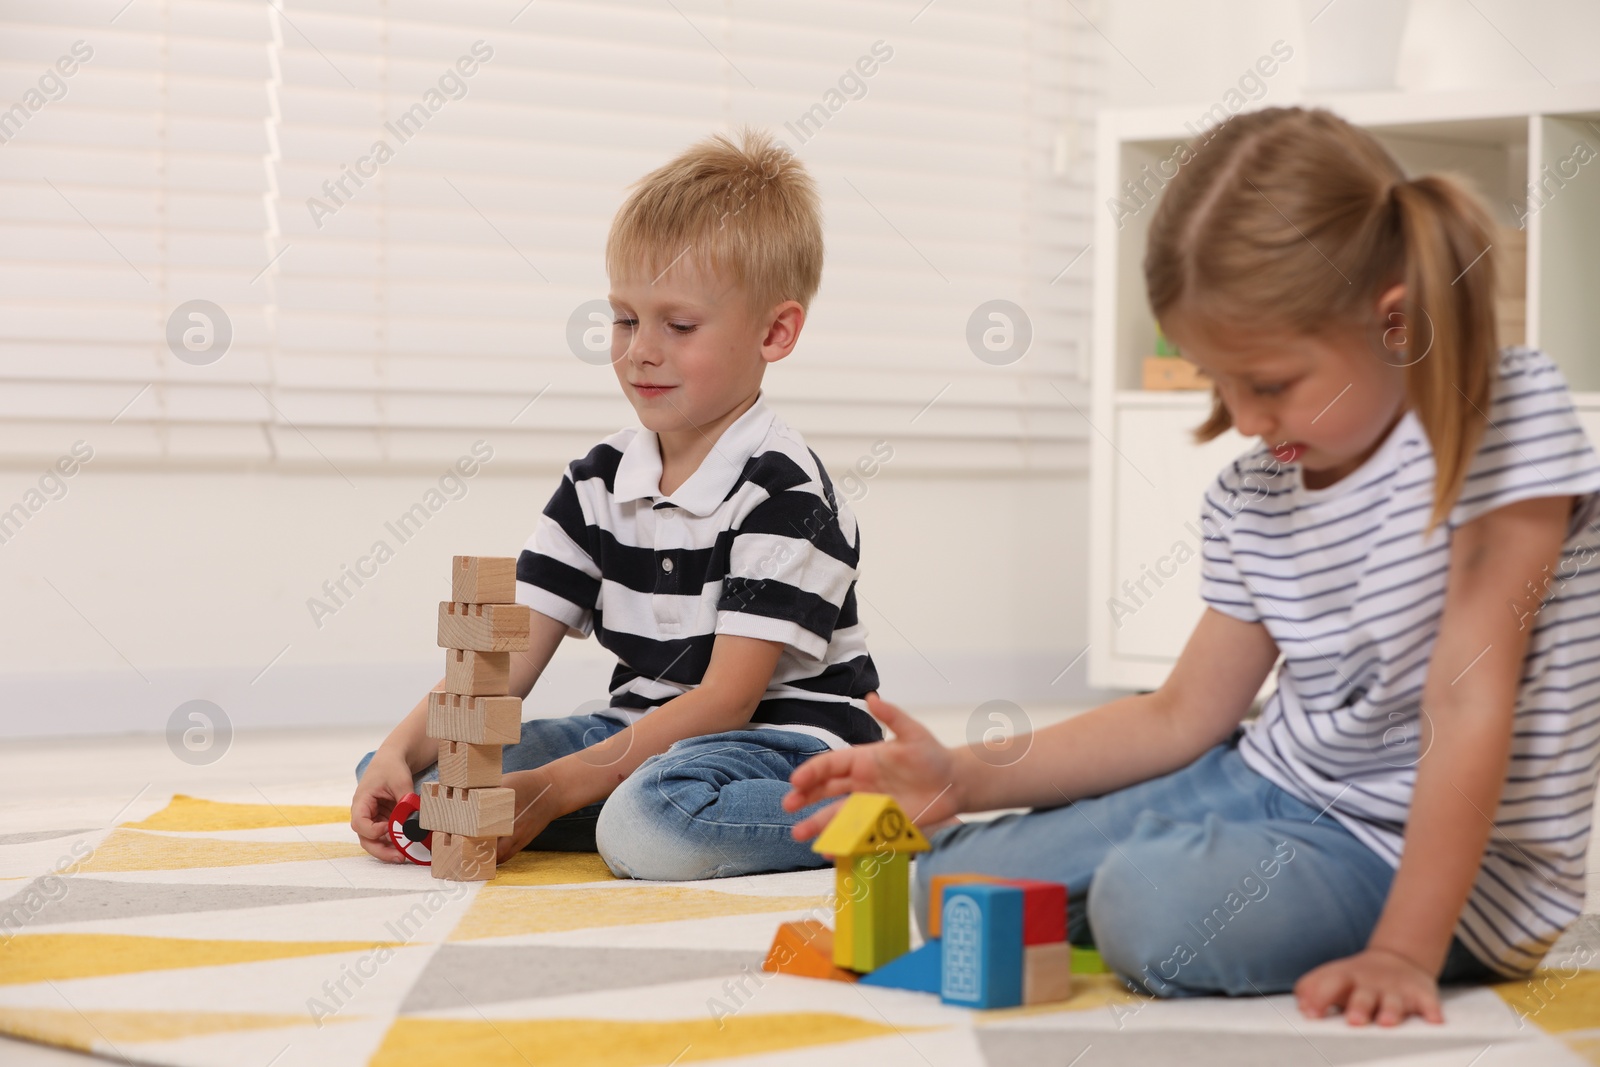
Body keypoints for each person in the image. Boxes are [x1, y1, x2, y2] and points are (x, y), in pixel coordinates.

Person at [784, 106, 1600, 1027]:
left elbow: (1467, 697)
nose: (1245, 420)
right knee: (949, 886)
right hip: (1275, 780)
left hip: (1452, 864)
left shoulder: (1499, 422)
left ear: (1395, 323)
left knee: (1151, 910)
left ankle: (1154, 876)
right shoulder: (1256, 493)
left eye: (1269, 382)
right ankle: (1156, 863)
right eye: (1220, 382)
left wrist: (1404, 950)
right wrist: (960, 776)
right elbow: (1183, 715)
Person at [352, 126, 883, 880]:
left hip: (781, 744)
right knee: (425, 781)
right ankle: (587, 803)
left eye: (680, 325)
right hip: (640, 733)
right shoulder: (598, 481)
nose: (641, 350)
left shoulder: (784, 493)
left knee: (654, 823)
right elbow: (502, 667)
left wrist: (550, 788)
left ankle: (880, 809)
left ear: (775, 331)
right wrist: (403, 751)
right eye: (627, 318)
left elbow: (727, 702)